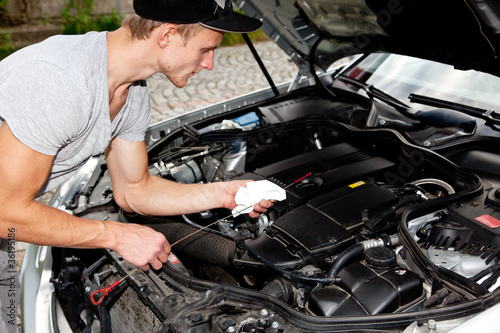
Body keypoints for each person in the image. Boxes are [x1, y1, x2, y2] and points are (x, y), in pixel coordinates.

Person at [0, 0, 268, 331]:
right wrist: (114, 234)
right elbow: (5, 212)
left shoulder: (132, 93)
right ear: (168, 35)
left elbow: (134, 190)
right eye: (205, 50)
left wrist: (224, 194)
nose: (209, 64)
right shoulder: (61, 83)